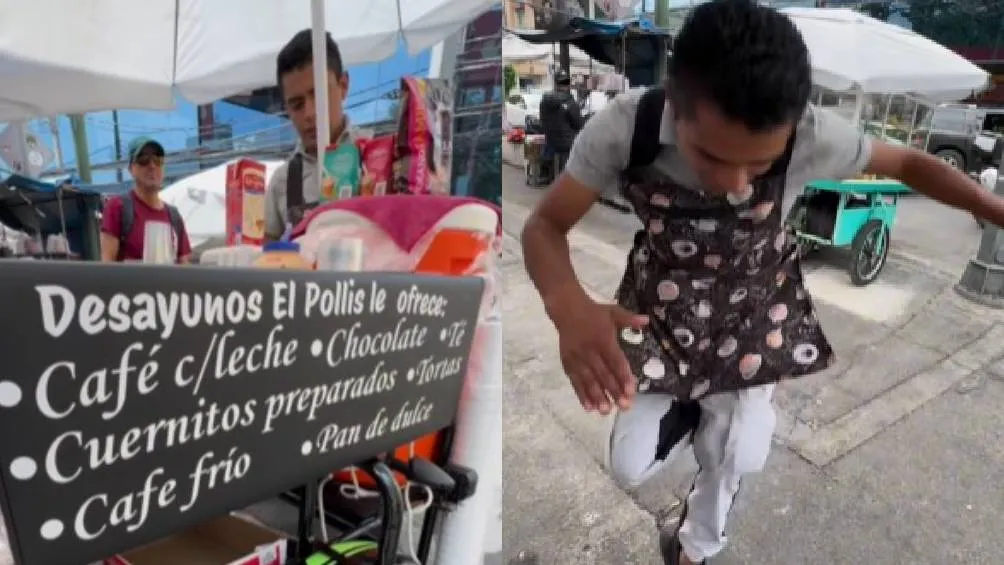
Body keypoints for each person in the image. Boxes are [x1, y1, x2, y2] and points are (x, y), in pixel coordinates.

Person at [519, 1, 1004, 564]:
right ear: (676, 100)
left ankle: (695, 546)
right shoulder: (626, 129)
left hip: (754, 319)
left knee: (739, 457)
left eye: (758, 165)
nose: (734, 185)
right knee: (628, 468)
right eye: (712, 156)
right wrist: (568, 305)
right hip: (658, 319)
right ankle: (691, 408)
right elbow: (545, 225)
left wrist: (994, 209)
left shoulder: (813, 136)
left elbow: (909, 165)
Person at [264, 29, 353, 241]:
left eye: (319, 95)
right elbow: (265, 261)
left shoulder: (378, 160)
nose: (310, 114)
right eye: (297, 105)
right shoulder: (281, 183)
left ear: (343, 86)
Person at [100, 137, 191, 263]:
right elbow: (107, 266)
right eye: (143, 160)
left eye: (157, 160)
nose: (152, 165)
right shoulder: (117, 207)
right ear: (131, 169)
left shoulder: (174, 216)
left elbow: (184, 270)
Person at [538, 69, 584, 177]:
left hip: (550, 141)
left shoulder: (544, 100)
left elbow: (542, 120)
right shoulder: (569, 101)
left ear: (556, 83)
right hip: (567, 143)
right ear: (567, 84)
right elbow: (579, 124)